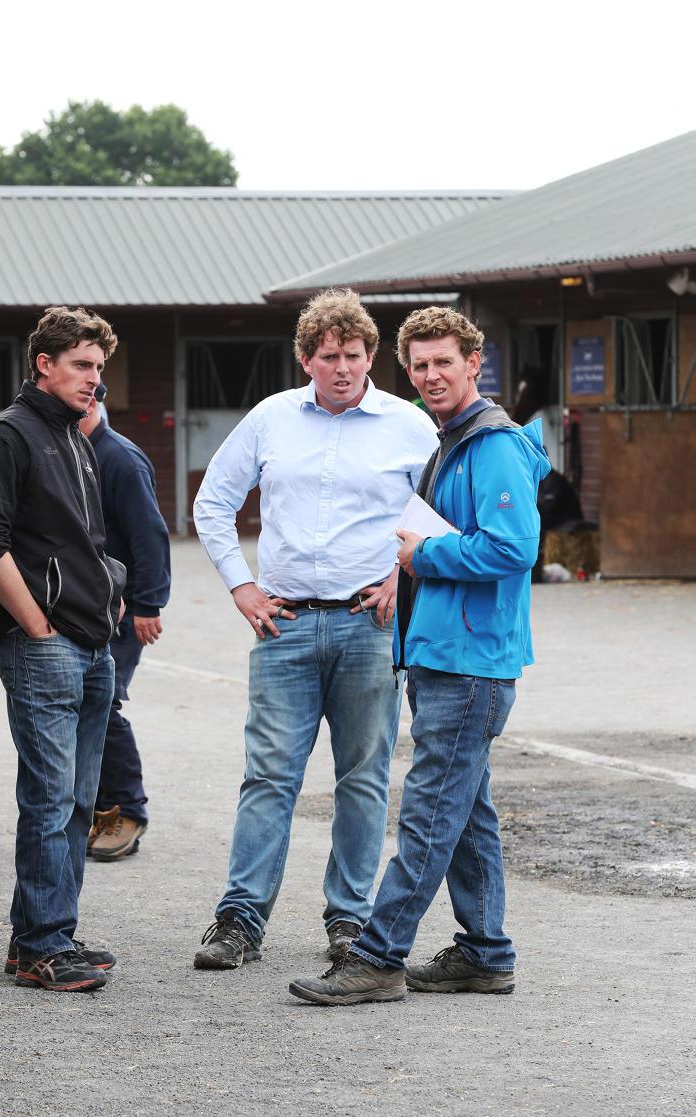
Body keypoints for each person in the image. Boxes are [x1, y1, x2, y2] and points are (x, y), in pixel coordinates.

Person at [289, 304, 551, 1005]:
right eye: (420, 365)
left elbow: (513, 548)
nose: (432, 375)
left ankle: (378, 957)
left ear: (474, 364)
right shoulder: (451, 441)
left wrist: (425, 554)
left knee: (430, 813)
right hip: (444, 656)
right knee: (466, 816)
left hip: (470, 664)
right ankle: (485, 954)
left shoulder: (492, 446)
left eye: (444, 362)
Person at [192, 288, 438, 970]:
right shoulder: (271, 419)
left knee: (363, 778)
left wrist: (402, 578)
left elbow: (442, 510)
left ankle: (350, 921)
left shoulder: (408, 425)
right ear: (306, 359)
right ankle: (240, 920)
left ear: (370, 356)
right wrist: (240, 585)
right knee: (269, 776)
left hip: (369, 625)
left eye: (353, 355)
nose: (342, 368)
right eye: (328, 356)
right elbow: (213, 502)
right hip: (286, 625)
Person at [0, 306, 126, 993]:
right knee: (50, 800)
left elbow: (87, 542)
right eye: (82, 365)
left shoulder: (74, 436)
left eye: (100, 368)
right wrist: (36, 626)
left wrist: (112, 593)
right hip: (45, 647)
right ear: (44, 364)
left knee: (79, 803)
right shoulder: (6, 436)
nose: (94, 379)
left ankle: (41, 931)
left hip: (93, 643)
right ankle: (42, 949)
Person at [79, 384, 171, 860]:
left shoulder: (119, 458)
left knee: (104, 702)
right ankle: (94, 811)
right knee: (81, 706)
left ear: (93, 404)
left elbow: (149, 535)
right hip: (82, 605)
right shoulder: (71, 451)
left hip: (122, 608)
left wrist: (147, 605)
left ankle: (127, 812)